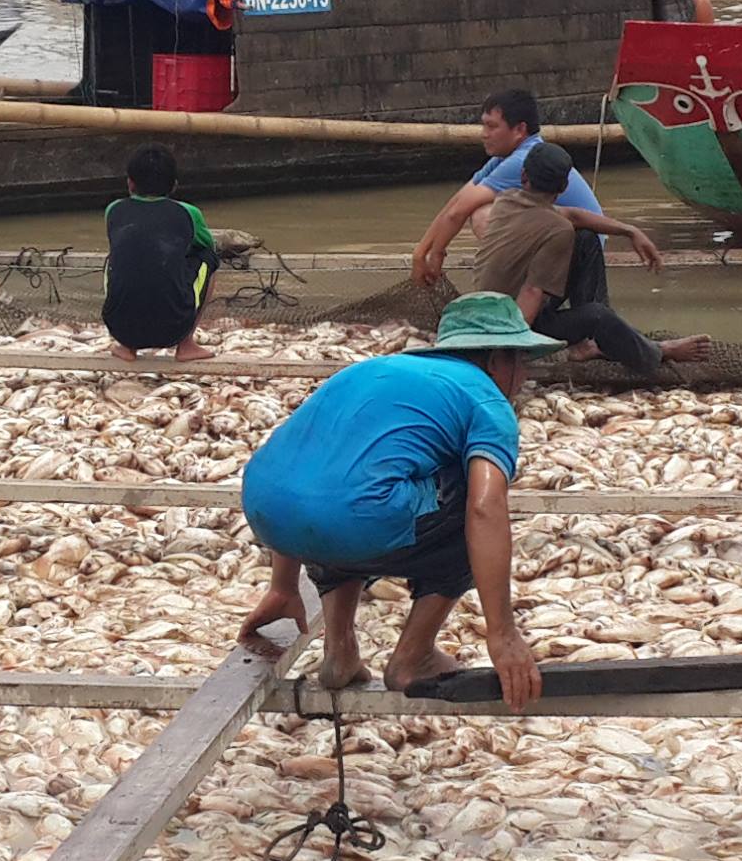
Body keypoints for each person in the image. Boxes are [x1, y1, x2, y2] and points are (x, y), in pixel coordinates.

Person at [235, 295, 555, 704]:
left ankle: (340, 649)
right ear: (497, 361)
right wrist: (502, 632)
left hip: (266, 509)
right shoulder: (486, 399)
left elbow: (307, 468)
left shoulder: (371, 370)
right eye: (522, 362)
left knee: (348, 486)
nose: (524, 375)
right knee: (464, 501)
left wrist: (283, 587)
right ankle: (414, 654)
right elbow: (484, 508)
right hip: (355, 516)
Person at [469, 145, 704, 379]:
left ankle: (591, 343)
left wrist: (629, 230)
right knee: (598, 316)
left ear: (523, 177)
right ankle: (657, 351)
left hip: (493, 308)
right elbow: (532, 292)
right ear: (563, 187)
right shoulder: (558, 231)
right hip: (513, 320)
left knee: (586, 238)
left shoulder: (506, 200)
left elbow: (572, 215)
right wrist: (513, 349)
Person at [413, 88, 657, 308]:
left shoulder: (523, 160)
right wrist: (423, 252)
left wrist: (434, 255)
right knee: (481, 210)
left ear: (519, 130)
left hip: (576, 252)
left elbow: (459, 212)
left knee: (483, 214)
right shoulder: (504, 158)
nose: (484, 134)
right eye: (484, 126)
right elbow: (456, 202)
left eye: (492, 127)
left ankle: (514, 292)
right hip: (553, 237)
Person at [102, 144, 218, 360]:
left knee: (116, 259)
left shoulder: (114, 210)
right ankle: (186, 345)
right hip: (174, 328)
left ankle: (126, 347)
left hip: (120, 327)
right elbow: (206, 246)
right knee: (208, 260)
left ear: (130, 182)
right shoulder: (188, 212)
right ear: (174, 185)